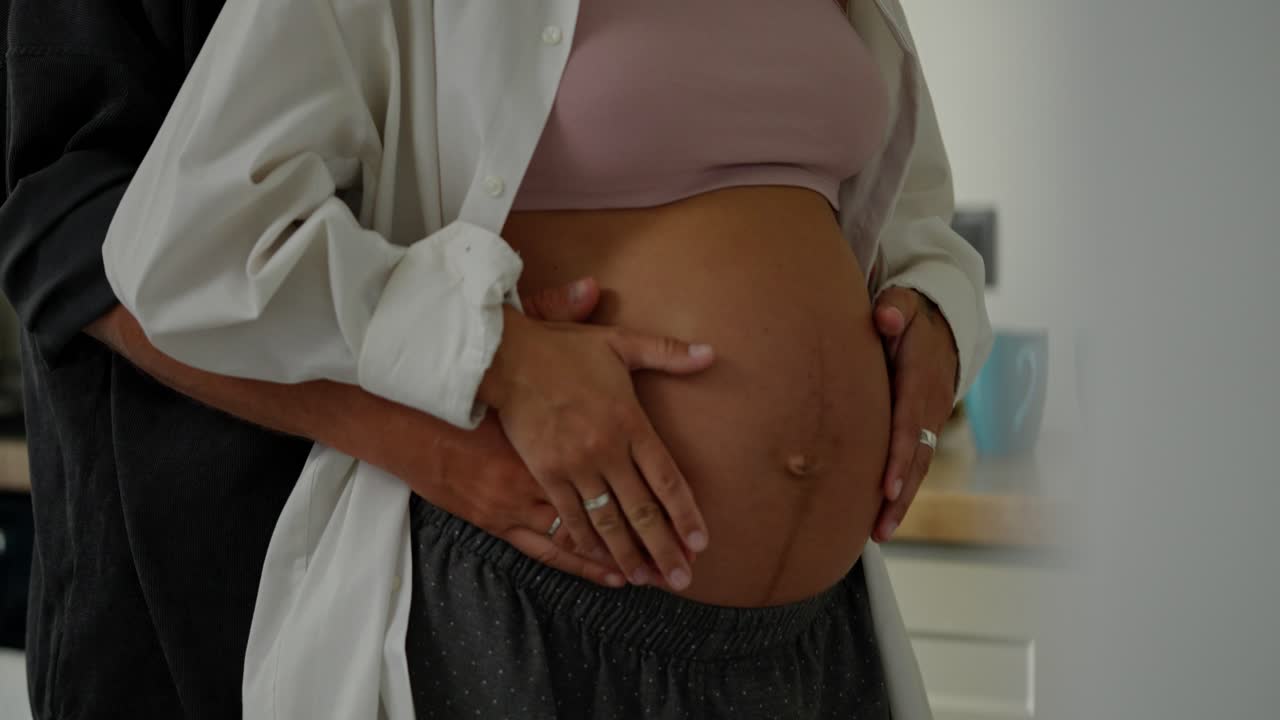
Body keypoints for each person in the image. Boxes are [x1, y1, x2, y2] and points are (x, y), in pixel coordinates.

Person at [3, 1, 990, 719]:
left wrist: (936, 317)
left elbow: (903, 210)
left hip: (815, 637)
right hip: (527, 604)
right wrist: (486, 351)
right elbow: (171, 235)